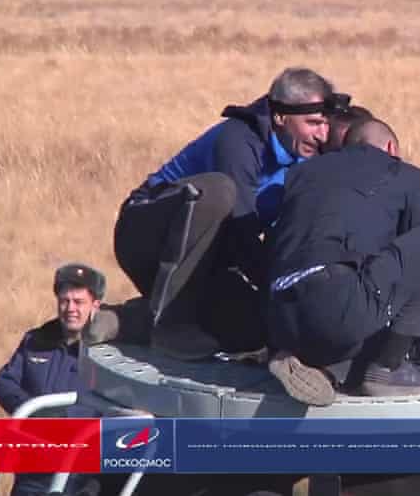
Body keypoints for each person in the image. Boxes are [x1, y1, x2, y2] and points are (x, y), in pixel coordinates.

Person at [111, 67, 350, 359]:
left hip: (205, 262)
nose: (322, 135)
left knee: (257, 328)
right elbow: (241, 230)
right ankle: (171, 325)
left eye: (326, 124)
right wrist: (277, 288)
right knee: (219, 191)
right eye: (313, 123)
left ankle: (128, 320)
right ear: (280, 117)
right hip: (144, 237)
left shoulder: (306, 158)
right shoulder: (238, 140)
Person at [265, 118, 420, 406]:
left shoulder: (302, 173)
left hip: (278, 314)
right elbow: (419, 271)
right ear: (391, 148)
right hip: (337, 304)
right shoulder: (403, 174)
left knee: (345, 302)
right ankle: (388, 368)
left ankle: (310, 361)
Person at [0, 263, 110, 496]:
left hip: (83, 478)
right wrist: (35, 412)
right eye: (64, 301)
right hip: (32, 472)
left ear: (95, 305)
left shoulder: (110, 355)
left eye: (78, 302)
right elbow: (5, 382)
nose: (70, 308)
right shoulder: (36, 340)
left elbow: (125, 409)